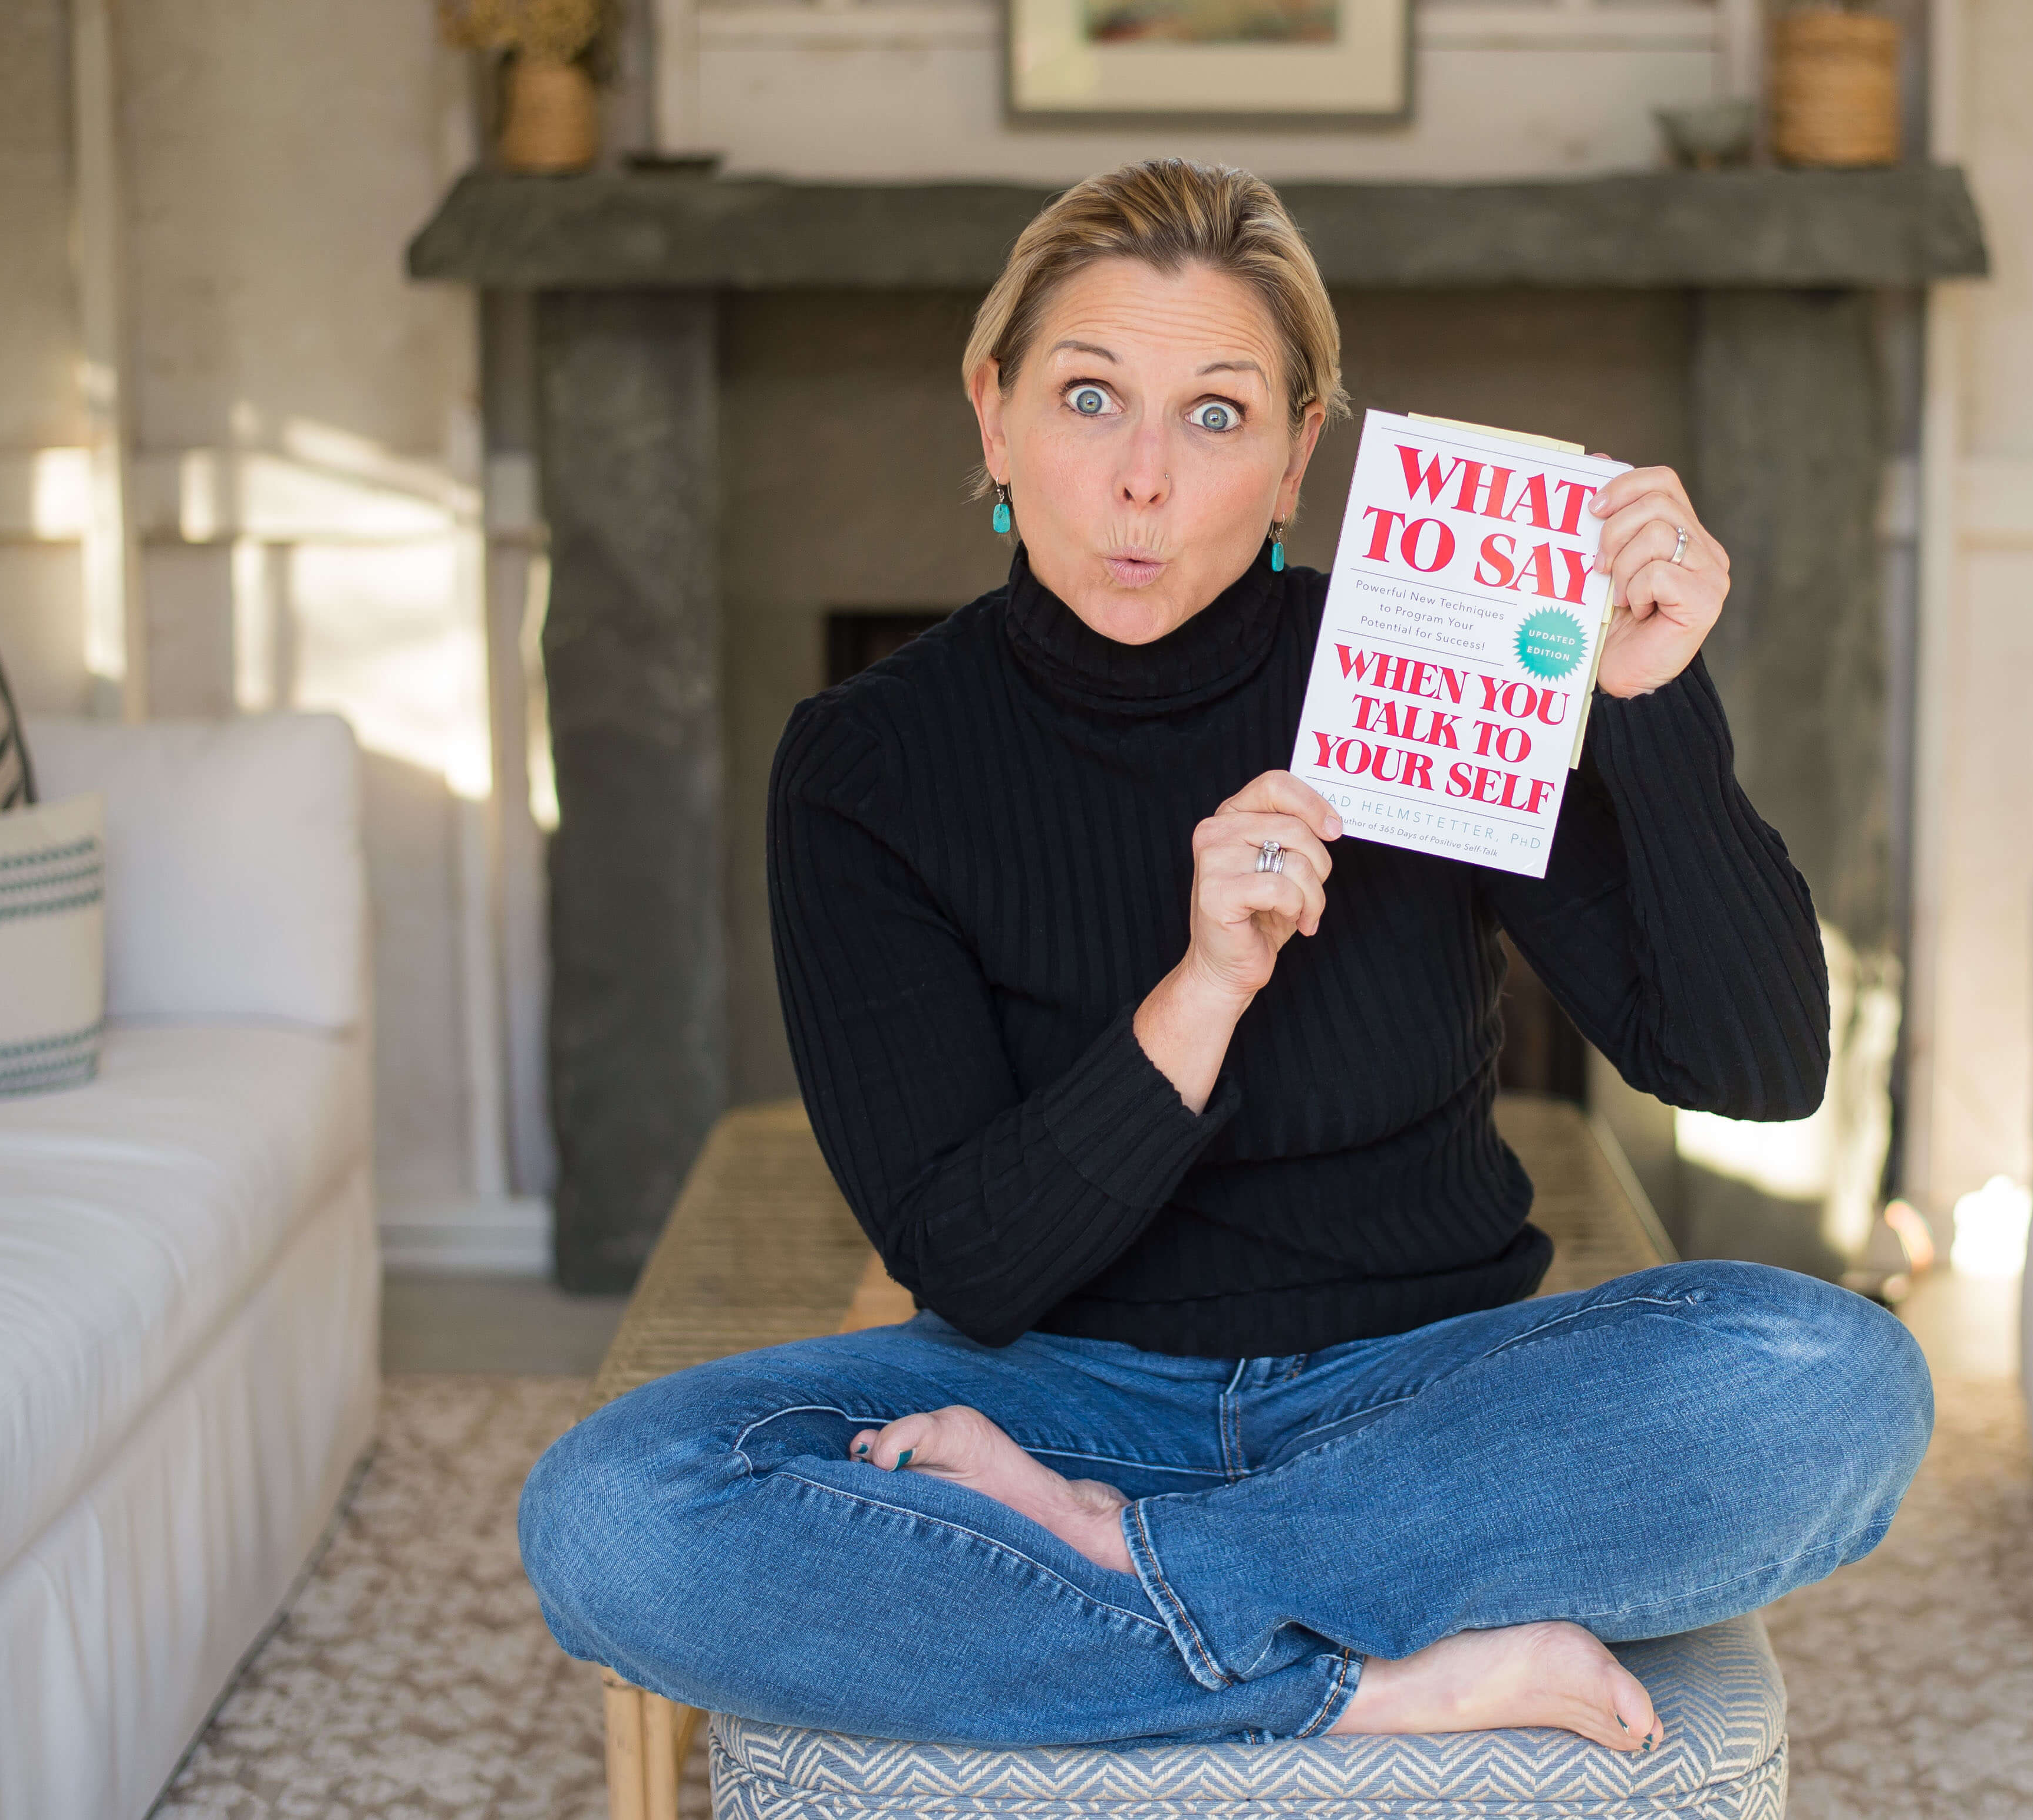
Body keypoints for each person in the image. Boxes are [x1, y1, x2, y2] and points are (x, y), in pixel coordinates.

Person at [519, 157, 1931, 1755]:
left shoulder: (1414, 662)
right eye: (1087, 398)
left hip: (1425, 1405)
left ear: (1292, 461)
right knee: (617, 1516)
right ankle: (1373, 1681)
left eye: (1214, 415)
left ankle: (1136, 1574)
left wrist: (1657, 704)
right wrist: (1202, 991)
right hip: (1054, 1399)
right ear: (991, 416)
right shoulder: (869, 759)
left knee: (1836, 1376)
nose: (1143, 480)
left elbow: (1753, 1064)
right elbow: (971, 1264)